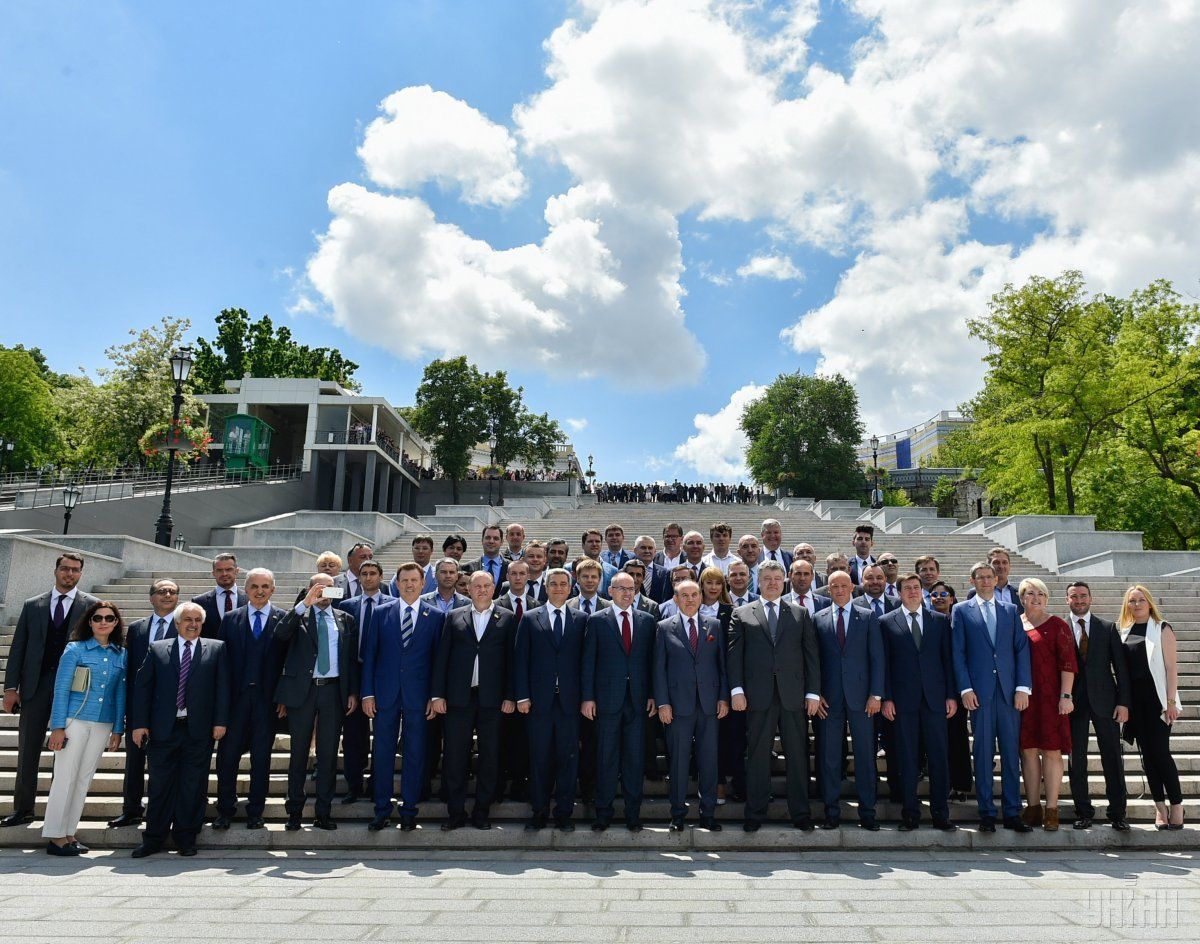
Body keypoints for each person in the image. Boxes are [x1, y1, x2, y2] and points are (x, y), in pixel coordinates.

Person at [2, 553, 98, 827]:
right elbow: (18, 647)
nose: (70, 574)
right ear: (55, 570)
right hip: (35, 686)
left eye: (75, 570)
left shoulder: (91, 606)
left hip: (73, 689)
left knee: (66, 754)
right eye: (65, 569)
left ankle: (58, 813)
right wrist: (11, 688)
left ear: (81, 574)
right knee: (28, 750)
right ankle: (23, 808)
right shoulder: (33, 605)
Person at [130, 601, 230, 857]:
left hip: (199, 730)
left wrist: (220, 721)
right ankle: (153, 838)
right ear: (177, 624)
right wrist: (139, 724)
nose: (193, 624)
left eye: (197, 620)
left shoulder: (216, 649)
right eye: (187, 620)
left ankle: (186, 838)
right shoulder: (158, 648)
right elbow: (143, 688)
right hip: (163, 729)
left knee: (192, 786)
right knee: (160, 785)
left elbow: (222, 689)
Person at [728, 561, 821, 832]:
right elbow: (734, 656)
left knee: (798, 755)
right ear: (758, 581)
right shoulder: (742, 613)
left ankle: (801, 814)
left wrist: (813, 692)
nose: (772, 583)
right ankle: (754, 813)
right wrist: (736, 689)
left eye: (777, 578)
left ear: (785, 582)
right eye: (767, 578)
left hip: (792, 695)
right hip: (757, 696)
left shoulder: (800, 613)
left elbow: (810, 656)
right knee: (757, 755)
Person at [430, 570, 517, 830]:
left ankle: (481, 812)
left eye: (486, 585)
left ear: (494, 589)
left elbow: (513, 661)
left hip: (492, 700)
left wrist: (511, 695)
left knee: (490, 757)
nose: (481, 590)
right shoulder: (454, 616)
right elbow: (442, 658)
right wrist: (437, 694)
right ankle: (455, 813)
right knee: (456, 756)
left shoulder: (508, 618)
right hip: (459, 698)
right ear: (467, 588)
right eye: (476, 585)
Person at [362, 563, 444, 832]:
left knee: (414, 753)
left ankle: (409, 809)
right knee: (383, 752)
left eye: (414, 580)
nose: (409, 585)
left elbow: (436, 661)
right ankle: (382, 809)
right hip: (385, 693)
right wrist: (367, 693)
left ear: (423, 584)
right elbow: (370, 656)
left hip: (418, 696)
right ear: (396, 584)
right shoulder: (380, 612)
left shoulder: (435, 616)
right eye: (404, 580)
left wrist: (434, 696)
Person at [952, 561, 1032, 832]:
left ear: (996, 579)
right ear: (972, 581)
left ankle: (1012, 812)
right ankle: (986, 812)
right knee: (983, 754)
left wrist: (1023, 687)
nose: (986, 581)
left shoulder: (1011, 610)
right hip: (979, 693)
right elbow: (958, 653)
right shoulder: (961, 611)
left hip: (1009, 693)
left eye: (990, 576)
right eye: (981, 577)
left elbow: (1021, 649)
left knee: (1011, 753)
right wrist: (965, 688)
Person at [42, 600, 127, 855]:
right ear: (89, 622)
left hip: (103, 723)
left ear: (115, 623)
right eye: (98, 618)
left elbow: (121, 692)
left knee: (83, 780)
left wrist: (118, 729)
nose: (103, 622)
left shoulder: (121, 653)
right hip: (74, 721)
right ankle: (55, 836)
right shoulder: (75, 649)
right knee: (65, 778)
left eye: (109, 618)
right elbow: (61, 689)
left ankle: (69, 833)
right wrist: (58, 726)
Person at [276, 574, 359, 831]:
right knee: (299, 753)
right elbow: (280, 635)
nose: (325, 593)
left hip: (333, 692)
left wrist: (352, 692)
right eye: (319, 588)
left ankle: (323, 812)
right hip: (304, 692)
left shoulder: (345, 619)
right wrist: (305, 603)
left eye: (330, 589)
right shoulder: (299, 616)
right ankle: (295, 812)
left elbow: (351, 661)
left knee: (328, 754)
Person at [880, 575, 957, 831]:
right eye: (907, 589)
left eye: (916, 588)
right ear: (899, 593)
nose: (912, 592)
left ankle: (940, 814)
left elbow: (947, 660)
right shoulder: (886, 622)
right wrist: (887, 697)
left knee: (938, 759)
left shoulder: (939, 620)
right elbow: (885, 664)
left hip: (935, 700)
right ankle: (910, 814)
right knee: (907, 759)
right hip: (903, 702)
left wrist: (950, 695)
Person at [581, 572, 657, 831]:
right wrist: (588, 697)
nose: (627, 593)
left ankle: (633, 815)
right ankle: (603, 813)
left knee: (634, 760)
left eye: (632, 588)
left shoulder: (647, 620)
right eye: (621, 588)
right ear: (610, 591)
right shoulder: (597, 620)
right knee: (606, 758)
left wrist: (652, 695)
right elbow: (588, 662)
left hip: (637, 701)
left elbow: (651, 662)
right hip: (606, 701)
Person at [212, 568, 287, 830]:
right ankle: (225, 809)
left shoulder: (283, 619)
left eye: (265, 586)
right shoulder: (231, 619)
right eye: (254, 586)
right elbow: (221, 665)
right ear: (246, 589)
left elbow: (288, 663)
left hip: (267, 702)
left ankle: (256, 810)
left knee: (261, 758)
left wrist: (283, 697)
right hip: (236, 701)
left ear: (273, 590)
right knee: (228, 757)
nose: (259, 591)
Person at [514, 568, 587, 831]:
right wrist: (521, 695)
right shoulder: (531, 618)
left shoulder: (582, 619)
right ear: (545, 587)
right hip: (538, 702)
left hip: (570, 702)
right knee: (539, 758)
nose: (558, 588)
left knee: (568, 759)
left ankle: (564, 812)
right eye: (553, 584)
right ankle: (539, 811)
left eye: (563, 584)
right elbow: (521, 659)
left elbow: (585, 663)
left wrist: (586, 697)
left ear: (571, 588)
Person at [654, 580, 729, 831]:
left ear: (700, 597)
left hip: (709, 706)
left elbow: (722, 666)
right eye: (684, 595)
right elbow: (659, 670)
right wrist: (663, 703)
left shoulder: (715, 626)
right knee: (678, 763)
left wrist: (723, 698)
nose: (689, 599)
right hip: (677, 707)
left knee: (709, 761)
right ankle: (678, 814)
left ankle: (708, 813)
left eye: (694, 594)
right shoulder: (664, 628)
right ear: (675, 599)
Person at [813, 571, 885, 830]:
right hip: (829, 700)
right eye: (834, 586)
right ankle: (831, 811)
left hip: (862, 699)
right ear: (828, 589)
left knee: (865, 756)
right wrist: (815, 692)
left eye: (844, 585)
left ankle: (868, 812)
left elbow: (877, 657)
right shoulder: (818, 618)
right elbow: (814, 660)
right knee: (830, 757)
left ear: (852, 587)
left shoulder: (867, 617)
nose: (839, 589)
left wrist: (876, 694)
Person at [110, 579, 179, 829]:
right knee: (134, 761)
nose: (167, 595)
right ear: (151, 597)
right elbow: (129, 670)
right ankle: (131, 809)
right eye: (162, 591)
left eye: (172, 592)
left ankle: (159, 811)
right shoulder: (138, 628)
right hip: (139, 705)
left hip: (170, 708)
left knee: (163, 764)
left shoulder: (186, 626)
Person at [1064, 581, 1130, 831]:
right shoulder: (1061, 627)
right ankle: (1083, 811)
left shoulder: (1107, 627)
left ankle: (1118, 813)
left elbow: (1121, 669)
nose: (1079, 600)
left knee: (1112, 758)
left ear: (1091, 598)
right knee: (1076, 759)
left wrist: (1124, 703)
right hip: (1074, 704)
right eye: (1074, 596)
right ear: (1067, 599)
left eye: (1083, 596)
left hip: (1107, 702)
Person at [1118, 584, 1184, 830]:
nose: (1136, 605)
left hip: (1157, 702)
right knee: (1147, 757)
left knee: (1161, 754)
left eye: (1140, 600)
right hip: (1135, 704)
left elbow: (1171, 669)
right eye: (1132, 601)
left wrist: (1170, 703)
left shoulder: (1161, 627)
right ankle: (1160, 808)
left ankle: (1177, 805)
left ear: (1149, 603)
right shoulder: (1123, 631)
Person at [1017, 577, 1077, 831]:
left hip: (1051, 697)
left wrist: (1066, 696)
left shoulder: (1058, 625)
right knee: (1028, 751)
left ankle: (1051, 809)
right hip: (1022, 698)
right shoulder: (1015, 624)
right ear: (1022, 598)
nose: (1036, 598)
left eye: (1041, 594)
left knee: (1051, 751)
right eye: (1030, 594)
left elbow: (1068, 663)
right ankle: (1033, 807)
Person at [336, 560, 392, 804]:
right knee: (353, 735)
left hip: (384, 675)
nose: (368, 578)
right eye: (364, 574)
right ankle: (354, 784)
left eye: (373, 573)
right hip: (356, 674)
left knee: (383, 734)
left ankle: (376, 784)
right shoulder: (347, 606)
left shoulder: (393, 604)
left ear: (381, 576)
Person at [929, 581, 972, 800]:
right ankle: (943, 783)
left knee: (958, 737)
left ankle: (962, 784)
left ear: (952, 599)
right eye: (934, 595)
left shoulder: (960, 621)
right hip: (934, 689)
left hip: (957, 688)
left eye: (944, 594)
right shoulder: (929, 622)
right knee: (938, 739)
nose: (939, 597)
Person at [192, 553, 246, 639]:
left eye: (228, 569)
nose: (224, 574)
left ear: (237, 571)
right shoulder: (199, 602)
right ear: (213, 573)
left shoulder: (249, 599)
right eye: (220, 570)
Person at [465, 525, 509, 599]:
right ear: (482, 540)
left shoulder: (511, 567)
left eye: (496, 538)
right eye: (488, 538)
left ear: (501, 542)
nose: (491, 541)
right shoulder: (468, 567)